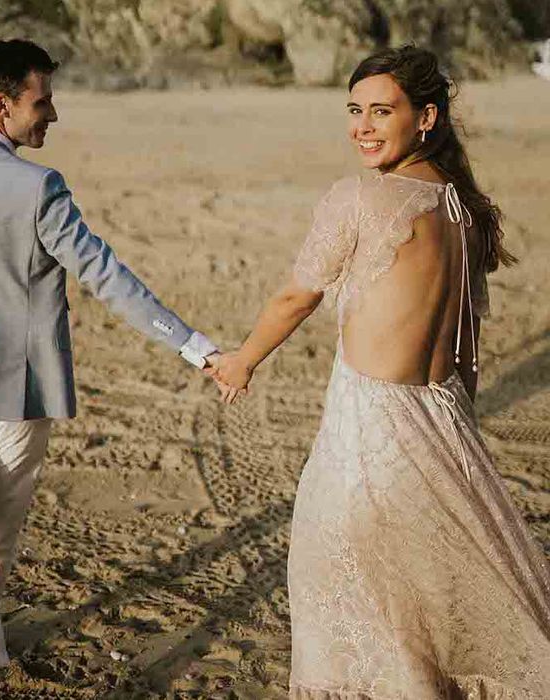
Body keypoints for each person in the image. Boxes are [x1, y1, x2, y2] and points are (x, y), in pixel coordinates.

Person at [210, 46, 550, 698]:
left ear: (426, 118)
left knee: (342, 581)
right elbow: (465, 341)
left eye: (380, 111)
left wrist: (241, 362)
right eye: (354, 111)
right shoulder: (461, 206)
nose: (362, 126)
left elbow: (296, 296)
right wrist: (460, 427)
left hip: (372, 431)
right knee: (420, 596)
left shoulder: (362, 196)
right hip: (444, 420)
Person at [0, 38, 220, 700]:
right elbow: (107, 278)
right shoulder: (39, 186)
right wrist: (191, 344)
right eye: (43, 102)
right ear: (3, 104)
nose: (53, 116)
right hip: (19, 393)